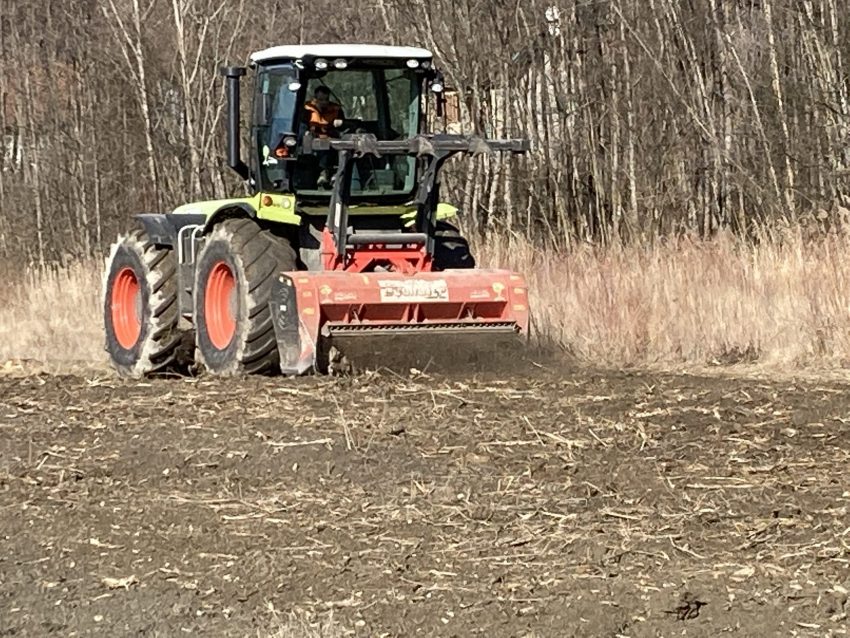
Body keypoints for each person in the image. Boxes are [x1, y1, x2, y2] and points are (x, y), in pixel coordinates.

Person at [303, 86, 344, 188]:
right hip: (312, 140)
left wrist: (340, 123)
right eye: (321, 100)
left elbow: (342, 125)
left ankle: (334, 176)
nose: (324, 102)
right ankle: (323, 173)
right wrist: (307, 133)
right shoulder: (307, 110)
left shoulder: (336, 110)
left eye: (326, 99)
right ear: (315, 99)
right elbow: (301, 125)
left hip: (331, 139)